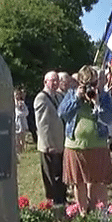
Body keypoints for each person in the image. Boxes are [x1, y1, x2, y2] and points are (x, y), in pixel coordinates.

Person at [58, 65, 112, 214]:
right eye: (86, 85)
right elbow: (62, 113)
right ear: (79, 84)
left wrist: (97, 104)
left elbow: (110, 118)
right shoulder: (71, 94)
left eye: (94, 84)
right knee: (78, 182)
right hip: (75, 145)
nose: (91, 88)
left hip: (98, 144)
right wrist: (77, 97)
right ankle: (83, 213)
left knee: (97, 181)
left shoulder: (104, 96)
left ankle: (96, 212)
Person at [34, 71, 67, 204]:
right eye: (52, 80)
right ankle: (53, 201)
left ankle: (61, 199)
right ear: (45, 82)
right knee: (50, 176)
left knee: (60, 175)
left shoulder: (58, 96)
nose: (55, 83)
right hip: (49, 145)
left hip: (60, 143)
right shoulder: (41, 98)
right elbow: (42, 125)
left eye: (56, 80)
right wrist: (49, 145)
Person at [13, 87, 29, 154]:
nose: (17, 96)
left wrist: (21, 114)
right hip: (16, 123)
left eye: (18, 95)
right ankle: (18, 151)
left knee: (22, 139)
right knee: (17, 139)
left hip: (22, 122)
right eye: (16, 95)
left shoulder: (22, 103)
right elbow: (14, 113)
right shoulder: (12, 104)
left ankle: (22, 151)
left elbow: (26, 112)